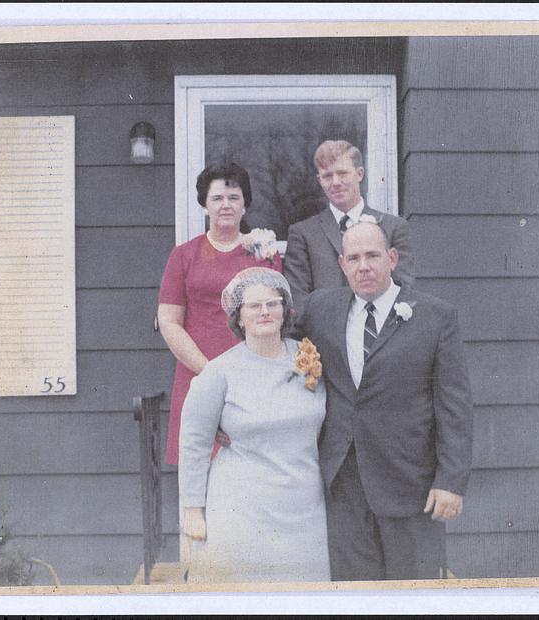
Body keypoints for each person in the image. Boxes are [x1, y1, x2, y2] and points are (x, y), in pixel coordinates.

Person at [295, 221, 473, 581]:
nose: (364, 266)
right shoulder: (319, 309)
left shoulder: (436, 317)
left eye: (373, 256)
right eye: (354, 258)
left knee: (414, 595)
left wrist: (451, 480)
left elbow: (454, 405)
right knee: (355, 597)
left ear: (392, 258)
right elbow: (268, 343)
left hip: (411, 485)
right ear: (342, 264)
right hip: (344, 482)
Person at [178, 267, 330, 583]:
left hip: (303, 505)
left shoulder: (309, 358)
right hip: (242, 508)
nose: (264, 312)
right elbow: (194, 441)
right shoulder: (220, 372)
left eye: (273, 303)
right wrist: (192, 508)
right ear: (239, 316)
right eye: (254, 306)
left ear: (285, 310)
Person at [157, 163, 282, 465]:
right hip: (199, 374)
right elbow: (169, 322)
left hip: (253, 380)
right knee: (202, 476)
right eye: (217, 198)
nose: (226, 205)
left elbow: (278, 318)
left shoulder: (264, 253)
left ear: (245, 204)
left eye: (234, 197)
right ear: (204, 205)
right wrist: (211, 373)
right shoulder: (184, 255)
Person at [284, 139, 416, 313]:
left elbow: (402, 290)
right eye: (327, 176)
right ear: (319, 180)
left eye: (343, 173)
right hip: (322, 335)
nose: (336, 182)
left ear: (359, 173)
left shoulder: (393, 227)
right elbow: (299, 301)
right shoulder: (303, 234)